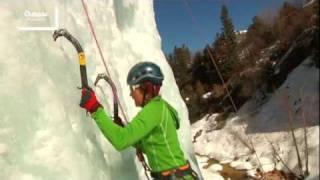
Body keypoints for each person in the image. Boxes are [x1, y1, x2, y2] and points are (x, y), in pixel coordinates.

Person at [79, 61, 199, 180]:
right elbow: (152, 142)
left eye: (133, 88)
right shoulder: (159, 108)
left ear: (146, 88)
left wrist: (95, 108)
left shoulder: (154, 109)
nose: (131, 94)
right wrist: (124, 129)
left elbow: (120, 140)